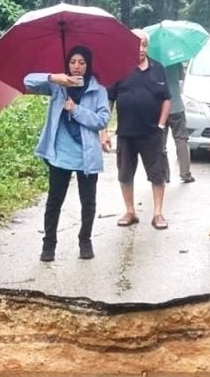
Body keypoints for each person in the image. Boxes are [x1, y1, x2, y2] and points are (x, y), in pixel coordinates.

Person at [24, 45, 110, 262]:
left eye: (82, 62)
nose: (77, 66)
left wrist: (76, 110)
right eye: (72, 62)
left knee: (88, 202)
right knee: (54, 200)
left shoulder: (98, 90)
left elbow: (102, 120)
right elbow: (27, 81)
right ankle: (49, 244)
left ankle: (85, 240)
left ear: (88, 65)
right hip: (60, 154)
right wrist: (54, 77)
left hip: (87, 155)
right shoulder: (57, 87)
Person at [108, 29, 171, 230]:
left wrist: (161, 124)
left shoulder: (158, 68)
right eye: (136, 44)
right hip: (126, 133)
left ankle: (158, 213)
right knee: (125, 173)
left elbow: (167, 99)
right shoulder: (118, 68)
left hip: (152, 133)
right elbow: (108, 100)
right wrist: (103, 130)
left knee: (157, 173)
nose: (140, 48)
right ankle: (130, 211)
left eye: (144, 44)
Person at [163, 62, 194, 183]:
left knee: (160, 143)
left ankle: (164, 174)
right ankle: (185, 173)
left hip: (159, 109)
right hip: (176, 106)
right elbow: (181, 77)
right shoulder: (175, 61)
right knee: (181, 140)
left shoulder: (153, 62)